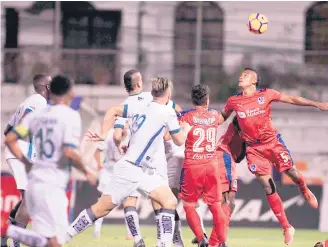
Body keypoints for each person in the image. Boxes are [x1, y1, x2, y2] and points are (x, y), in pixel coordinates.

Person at [65, 77, 188, 247]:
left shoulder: (140, 106)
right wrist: (184, 126)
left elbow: (113, 110)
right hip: (130, 169)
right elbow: (180, 141)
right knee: (101, 209)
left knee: (169, 201)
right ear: (168, 93)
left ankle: (164, 245)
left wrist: (103, 133)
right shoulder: (167, 112)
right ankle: (64, 237)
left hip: (143, 170)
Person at [221, 68, 328, 245]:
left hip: (273, 143)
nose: (241, 76)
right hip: (254, 150)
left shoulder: (267, 94)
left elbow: (292, 99)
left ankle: (303, 188)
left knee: (292, 173)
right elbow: (221, 118)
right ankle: (287, 227)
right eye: (242, 74)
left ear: (255, 81)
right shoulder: (234, 101)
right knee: (267, 186)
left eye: (246, 75)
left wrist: (316, 104)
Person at [3, 75, 96, 247]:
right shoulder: (69, 116)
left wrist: (26, 162)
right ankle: (9, 231)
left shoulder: (36, 116)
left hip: (36, 181)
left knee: (49, 241)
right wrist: (87, 170)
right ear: (68, 92)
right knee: (56, 241)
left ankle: (9, 230)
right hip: (53, 185)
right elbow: (69, 151)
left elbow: (9, 137)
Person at [111, 70, 184, 247]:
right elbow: (177, 110)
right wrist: (168, 131)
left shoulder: (125, 105)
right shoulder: (151, 97)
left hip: (134, 158)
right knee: (160, 199)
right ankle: (165, 241)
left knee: (130, 199)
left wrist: (121, 143)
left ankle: (137, 240)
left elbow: (117, 135)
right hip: (156, 157)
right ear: (138, 84)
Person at [2, 74, 51, 247]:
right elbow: (25, 122)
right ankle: (15, 239)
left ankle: (5, 236)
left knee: (28, 199)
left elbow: (7, 130)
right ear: (46, 87)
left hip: (18, 151)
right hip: (21, 152)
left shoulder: (26, 102)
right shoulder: (39, 102)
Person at [178, 85, 227, 247]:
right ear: (207, 100)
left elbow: (177, 136)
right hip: (212, 165)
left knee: (189, 205)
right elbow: (223, 117)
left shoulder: (186, 117)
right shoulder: (214, 115)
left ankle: (201, 239)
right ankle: (223, 242)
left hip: (193, 165)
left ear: (193, 100)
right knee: (216, 206)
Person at [92, 124, 130, 240]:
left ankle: (130, 233)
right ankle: (96, 232)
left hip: (124, 172)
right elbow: (97, 151)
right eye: (122, 125)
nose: (124, 128)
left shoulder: (132, 137)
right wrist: (99, 164)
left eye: (126, 125)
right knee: (102, 201)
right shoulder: (109, 135)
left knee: (128, 202)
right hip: (108, 172)